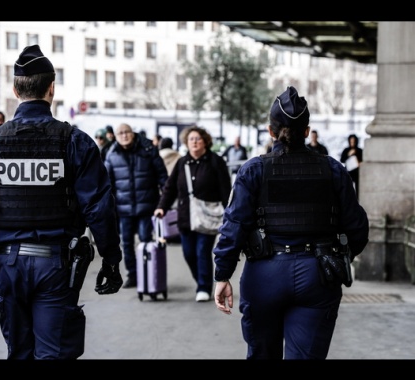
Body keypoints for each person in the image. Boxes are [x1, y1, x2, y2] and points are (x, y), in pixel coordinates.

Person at [0, 44, 123, 360]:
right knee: (53, 352)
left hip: (8, 265)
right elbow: (99, 208)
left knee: (19, 353)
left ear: (16, 90)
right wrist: (111, 260)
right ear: (52, 89)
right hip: (56, 266)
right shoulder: (75, 142)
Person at [213, 86, 369, 359]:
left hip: (264, 274)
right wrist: (339, 255)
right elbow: (357, 228)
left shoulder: (253, 170)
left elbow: (233, 226)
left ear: (270, 131)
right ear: (307, 132)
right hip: (318, 274)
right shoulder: (332, 169)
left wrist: (222, 274)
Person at [155, 126, 231, 302]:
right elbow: (170, 188)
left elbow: (225, 189)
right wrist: (162, 207)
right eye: (191, 139)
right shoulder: (182, 163)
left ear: (205, 141)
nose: (194, 142)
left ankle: (204, 287)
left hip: (207, 217)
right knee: (188, 253)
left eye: (198, 139)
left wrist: (230, 212)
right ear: (186, 143)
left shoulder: (215, 161)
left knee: (202, 251)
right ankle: (201, 282)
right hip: (185, 217)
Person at [104, 123, 168, 289]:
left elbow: (162, 175)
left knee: (145, 240)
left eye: (126, 132)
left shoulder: (147, 149)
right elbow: (107, 184)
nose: (124, 135)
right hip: (124, 208)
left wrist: (164, 202)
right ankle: (133, 275)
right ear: (115, 136)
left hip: (146, 206)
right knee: (126, 243)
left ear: (132, 133)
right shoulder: (112, 154)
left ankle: (147, 273)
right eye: (120, 133)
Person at [340, 133, 363, 198]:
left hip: (357, 172)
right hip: (348, 172)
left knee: (358, 188)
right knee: (347, 187)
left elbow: (363, 160)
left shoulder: (359, 150)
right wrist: (348, 154)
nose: (352, 143)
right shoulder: (346, 150)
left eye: (354, 141)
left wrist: (359, 163)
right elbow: (342, 159)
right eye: (351, 141)